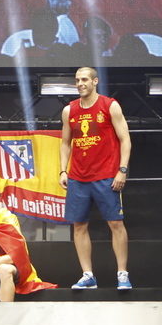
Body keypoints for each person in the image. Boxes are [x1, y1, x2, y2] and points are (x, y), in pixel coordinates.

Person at [60, 67, 132, 290]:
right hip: (78, 178)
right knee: (79, 226)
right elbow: (65, 143)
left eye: (84, 80)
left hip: (106, 175)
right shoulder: (69, 110)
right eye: (77, 80)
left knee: (115, 224)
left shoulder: (110, 105)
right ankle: (87, 275)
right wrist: (63, 170)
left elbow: (125, 139)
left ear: (95, 81)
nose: (80, 83)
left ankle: (122, 273)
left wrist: (122, 170)